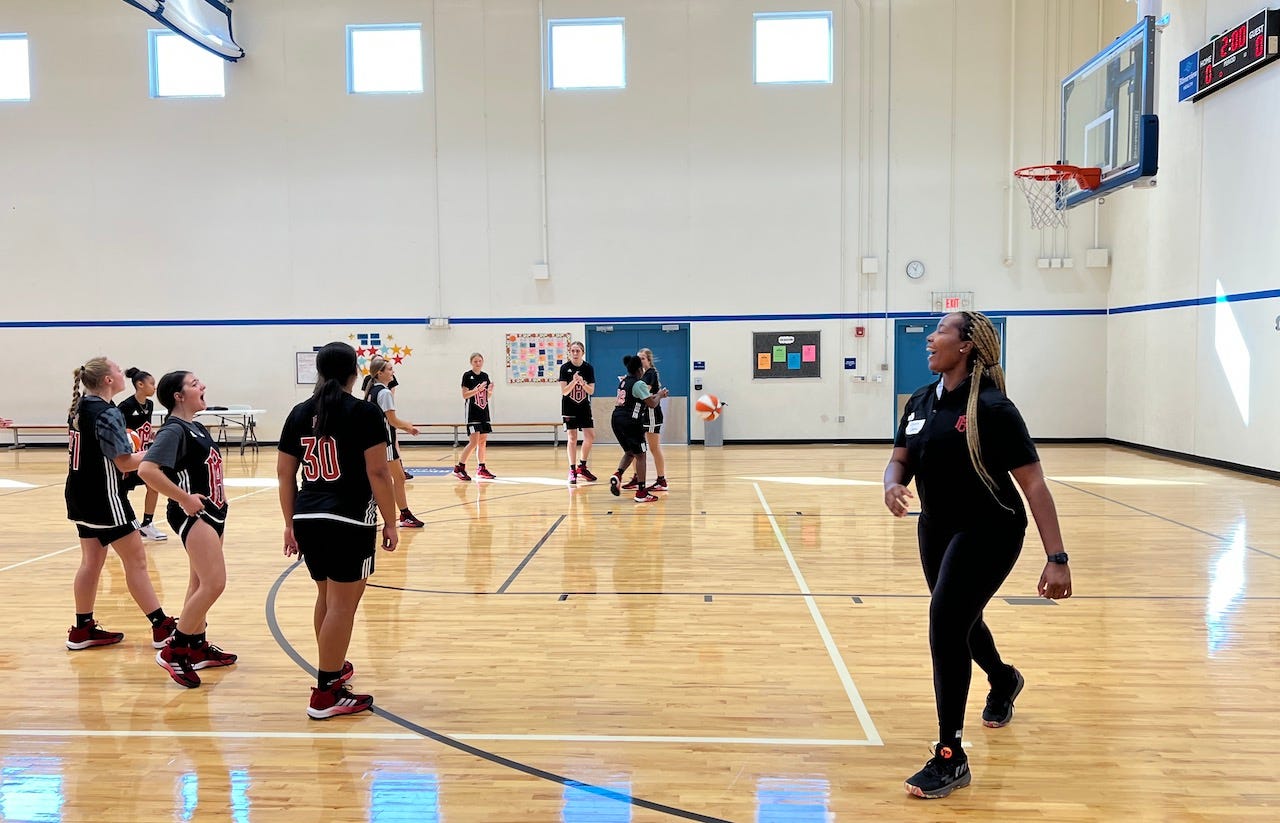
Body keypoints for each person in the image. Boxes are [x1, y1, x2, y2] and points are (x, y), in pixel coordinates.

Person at [882, 311, 1073, 799]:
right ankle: (1004, 678)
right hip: (936, 527)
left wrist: (1057, 556)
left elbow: (1033, 484)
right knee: (960, 620)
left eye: (941, 330)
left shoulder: (994, 408)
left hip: (991, 527)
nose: (930, 337)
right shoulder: (921, 401)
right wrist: (892, 485)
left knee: (946, 621)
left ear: (967, 345)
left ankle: (951, 756)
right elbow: (901, 458)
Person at [278, 341, 399, 719]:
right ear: (354, 370)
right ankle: (326, 691)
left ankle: (333, 668)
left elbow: (285, 474)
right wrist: (392, 520)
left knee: (328, 599)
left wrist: (288, 524)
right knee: (342, 606)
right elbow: (378, 472)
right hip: (348, 518)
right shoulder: (363, 412)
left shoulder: (299, 412)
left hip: (308, 516)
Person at [63, 357, 176, 652]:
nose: (121, 370)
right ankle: (161, 626)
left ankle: (82, 628)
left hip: (78, 495)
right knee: (136, 561)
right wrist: (157, 452)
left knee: (91, 562)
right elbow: (124, 462)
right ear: (109, 380)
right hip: (104, 498)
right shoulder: (107, 413)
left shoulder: (80, 406)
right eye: (116, 368)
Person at [139, 371, 237, 688]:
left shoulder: (193, 427)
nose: (203, 386)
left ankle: (196, 645)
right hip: (195, 515)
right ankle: (176, 649)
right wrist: (183, 498)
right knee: (214, 583)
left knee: (198, 583)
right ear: (178, 396)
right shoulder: (173, 430)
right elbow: (147, 470)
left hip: (213, 512)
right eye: (194, 384)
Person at [363, 356, 424, 528]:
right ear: (379, 373)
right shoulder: (384, 393)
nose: (393, 372)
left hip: (373, 442)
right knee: (396, 478)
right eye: (389, 369)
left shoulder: (371, 391)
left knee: (390, 478)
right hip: (385, 443)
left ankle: (400, 513)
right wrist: (409, 428)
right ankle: (403, 514)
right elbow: (392, 420)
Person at [608, 355, 667, 504]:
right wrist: (660, 395)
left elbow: (641, 398)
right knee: (641, 455)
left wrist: (656, 396)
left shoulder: (623, 382)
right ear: (639, 370)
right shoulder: (639, 383)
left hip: (616, 419)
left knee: (629, 452)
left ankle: (618, 474)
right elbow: (652, 404)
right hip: (630, 421)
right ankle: (641, 492)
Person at [118, 367, 168, 541]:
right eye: (152, 383)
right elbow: (117, 428)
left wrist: (150, 434)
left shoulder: (150, 404)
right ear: (140, 384)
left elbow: (145, 425)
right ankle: (117, 526)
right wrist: (130, 436)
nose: (154, 387)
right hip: (128, 456)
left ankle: (147, 524)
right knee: (120, 492)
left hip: (144, 454)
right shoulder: (125, 406)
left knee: (153, 486)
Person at [629, 347, 668, 492]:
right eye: (638, 358)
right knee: (635, 447)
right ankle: (636, 477)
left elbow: (644, 392)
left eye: (643, 358)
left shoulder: (651, 373)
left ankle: (661, 480)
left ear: (649, 360)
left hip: (652, 414)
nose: (640, 361)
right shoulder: (639, 375)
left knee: (654, 447)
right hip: (641, 415)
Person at [558, 341, 598, 486]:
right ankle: (572, 470)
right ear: (570, 352)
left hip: (584, 407)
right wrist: (574, 382)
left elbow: (591, 391)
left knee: (590, 436)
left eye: (578, 351)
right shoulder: (565, 368)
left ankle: (582, 466)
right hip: (569, 407)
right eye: (573, 351)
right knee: (572, 437)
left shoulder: (588, 368)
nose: (575, 353)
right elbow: (564, 391)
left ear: (583, 352)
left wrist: (582, 383)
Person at [455, 352, 496, 481]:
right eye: (475, 361)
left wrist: (490, 391)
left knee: (482, 441)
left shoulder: (485, 376)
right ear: (471, 363)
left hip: (483, 412)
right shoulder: (467, 376)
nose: (478, 363)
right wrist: (477, 390)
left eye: (480, 361)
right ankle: (459, 468)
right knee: (473, 442)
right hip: (472, 413)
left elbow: (487, 396)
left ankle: (481, 467)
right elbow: (465, 395)